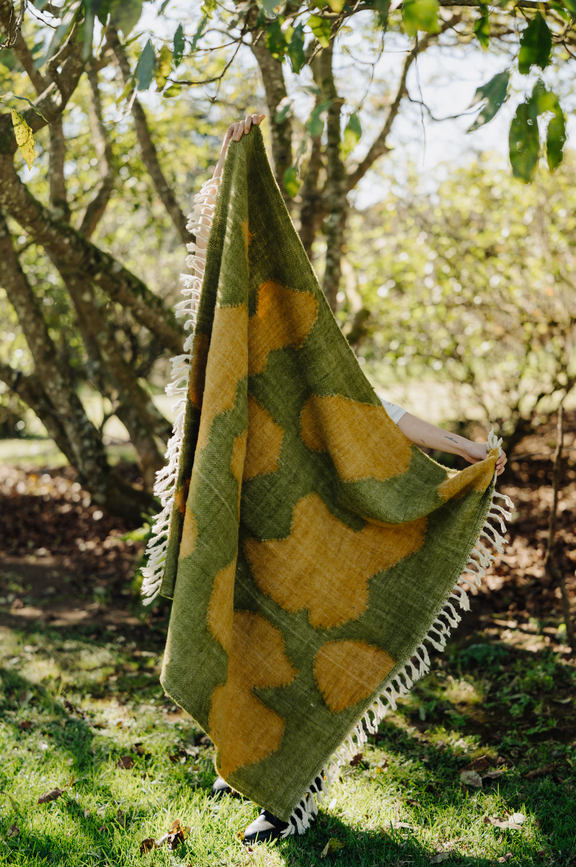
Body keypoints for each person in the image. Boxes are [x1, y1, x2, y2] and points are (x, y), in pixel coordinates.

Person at [206, 114, 507, 843]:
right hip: (249, 522)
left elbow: (380, 417)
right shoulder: (232, 340)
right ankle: (244, 761)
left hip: (321, 532)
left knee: (308, 653)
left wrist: (464, 451)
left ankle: (292, 793)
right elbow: (224, 253)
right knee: (242, 634)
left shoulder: (313, 354)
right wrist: (231, 165)